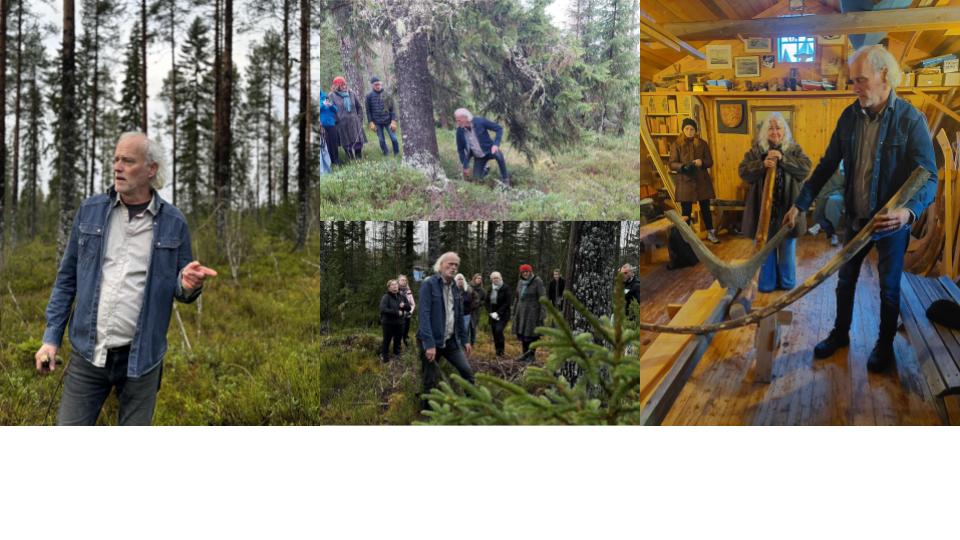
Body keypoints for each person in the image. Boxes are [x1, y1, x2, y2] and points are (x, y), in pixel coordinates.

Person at [34, 132, 217, 425]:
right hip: (87, 355)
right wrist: (51, 339)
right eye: (116, 159)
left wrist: (187, 285)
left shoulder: (174, 223)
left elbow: (181, 286)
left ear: (151, 169)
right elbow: (67, 279)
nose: (118, 167)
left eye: (128, 161)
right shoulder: (90, 212)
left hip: (142, 360)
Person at [782, 45, 938, 372]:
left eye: (861, 80)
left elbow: (929, 177)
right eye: (853, 80)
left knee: (889, 289)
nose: (855, 87)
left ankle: (884, 346)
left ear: (884, 75)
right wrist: (801, 203)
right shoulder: (849, 117)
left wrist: (907, 213)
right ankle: (840, 333)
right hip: (856, 218)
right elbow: (826, 165)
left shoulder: (911, 120)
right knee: (845, 280)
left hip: (892, 224)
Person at [738, 112, 813, 292]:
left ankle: (787, 282)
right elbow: (743, 171)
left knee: (787, 247)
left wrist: (783, 159)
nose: (775, 132)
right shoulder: (757, 150)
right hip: (762, 211)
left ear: (784, 130)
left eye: (778, 128)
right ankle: (767, 283)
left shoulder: (793, 149)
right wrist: (761, 165)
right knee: (765, 249)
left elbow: (805, 169)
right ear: (765, 131)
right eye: (770, 128)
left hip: (788, 209)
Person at [417, 252, 475, 408]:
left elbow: (459, 315)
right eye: (450, 264)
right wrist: (429, 344)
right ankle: (427, 413)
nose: (453, 267)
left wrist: (465, 340)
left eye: (456, 265)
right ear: (441, 265)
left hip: (450, 341)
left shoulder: (455, 287)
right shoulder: (429, 284)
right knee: (429, 379)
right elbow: (423, 315)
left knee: (467, 372)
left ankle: (475, 408)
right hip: (431, 341)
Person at [669, 118, 719, 244]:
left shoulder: (702, 144)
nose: (689, 131)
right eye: (687, 128)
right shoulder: (676, 144)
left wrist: (702, 162)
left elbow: (710, 161)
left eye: (692, 129)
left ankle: (710, 233)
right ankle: (686, 238)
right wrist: (682, 167)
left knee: (705, 209)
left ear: (695, 131)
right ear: (683, 130)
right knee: (686, 211)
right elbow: (672, 163)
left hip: (701, 181)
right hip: (685, 182)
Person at [454, 108, 510, 187]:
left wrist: (496, 144)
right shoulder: (460, 131)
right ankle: (485, 170)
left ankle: (505, 179)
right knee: (476, 180)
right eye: (456, 120)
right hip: (478, 157)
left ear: (465, 117)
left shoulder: (480, 122)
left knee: (498, 155)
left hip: (490, 150)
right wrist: (465, 165)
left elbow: (499, 129)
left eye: (459, 120)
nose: (457, 123)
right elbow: (460, 149)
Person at [512, 264, 545, 362]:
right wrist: (514, 311)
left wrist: (542, 313)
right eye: (523, 272)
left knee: (531, 335)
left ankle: (531, 356)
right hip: (521, 312)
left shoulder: (537, 281)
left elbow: (542, 297)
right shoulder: (520, 282)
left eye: (527, 272)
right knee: (523, 334)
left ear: (530, 272)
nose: (525, 274)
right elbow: (517, 297)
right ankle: (524, 354)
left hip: (533, 313)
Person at [808, 163, 845, 247]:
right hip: (827, 196)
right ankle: (831, 233)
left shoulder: (844, 171)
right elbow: (819, 188)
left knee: (831, 200)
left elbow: (847, 189)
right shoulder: (825, 173)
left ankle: (820, 224)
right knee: (826, 200)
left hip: (841, 196)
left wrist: (833, 193)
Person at [329, 76, 367, 160]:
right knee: (347, 143)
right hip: (342, 124)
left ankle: (359, 159)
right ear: (336, 86)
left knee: (358, 142)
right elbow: (330, 110)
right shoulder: (332, 96)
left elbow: (359, 107)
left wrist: (359, 119)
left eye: (345, 84)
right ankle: (351, 159)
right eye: (342, 85)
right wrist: (337, 120)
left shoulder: (351, 93)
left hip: (354, 122)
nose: (344, 86)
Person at [365, 76, 399, 157]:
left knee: (394, 138)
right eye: (376, 84)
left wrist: (393, 120)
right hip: (377, 122)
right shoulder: (369, 96)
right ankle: (386, 154)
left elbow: (393, 109)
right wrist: (370, 122)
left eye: (379, 84)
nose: (378, 86)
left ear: (381, 84)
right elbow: (368, 111)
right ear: (372, 85)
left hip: (388, 121)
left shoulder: (387, 94)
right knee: (381, 140)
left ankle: (397, 154)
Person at [379, 279, 410, 362]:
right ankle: (384, 356)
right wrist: (396, 312)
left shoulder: (402, 296)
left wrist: (404, 305)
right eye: (392, 285)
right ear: (389, 287)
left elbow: (409, 307)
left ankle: (397, 355)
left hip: (400, 323)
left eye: (396, 284)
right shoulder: (386, 297)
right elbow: (383, 309)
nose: (395, 286)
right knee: (387, 340)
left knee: (398, 341)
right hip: (388, 323)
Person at [486, 271, 512, 357]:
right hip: (492, 314)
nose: (495, 279)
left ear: (500, 278)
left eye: (497, 278)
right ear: (491, 279)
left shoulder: (506, 288)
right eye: (493, 278)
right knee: (494, 332)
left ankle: (501, 351)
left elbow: (507, 302)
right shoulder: (490, 288)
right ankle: (497, 351)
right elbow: (487, 302)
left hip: (503, 314)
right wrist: (490, 312)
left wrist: (498, 313)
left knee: (498, 330)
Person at [455, 273, 480, 347]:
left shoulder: (468, 289)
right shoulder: (452, 290)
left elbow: (476, 299)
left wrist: (471, 307)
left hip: (466, 314)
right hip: (455, 314)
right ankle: (457, 346)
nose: (460, 280)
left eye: (461, 279)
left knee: (465, 330)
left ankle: (464, 346)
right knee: (456, 330)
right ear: (455, 280)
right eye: (458, 279)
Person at [319, 90, 340, 166]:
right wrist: (323, 104)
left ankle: (336, 160)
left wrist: (331, 105)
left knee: (334, 143)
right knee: (326, 144)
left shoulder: (327, 98)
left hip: (331, 124)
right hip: (322, 126)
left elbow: (336, 110)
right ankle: (328, 161)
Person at [397, 274, 416, 347]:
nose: (404, 281)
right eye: (402, 280)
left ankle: (406, 348)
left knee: (405, 333)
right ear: (398, 281)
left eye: (405, 280)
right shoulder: (395, 290)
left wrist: (410, 312)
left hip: (407, 315)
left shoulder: (408, 291)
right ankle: (398, 348)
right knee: (399, 333)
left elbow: (413, 304)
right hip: (398, 315)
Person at [469, 273, 486, 345]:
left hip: (476, 311)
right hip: (467, 310)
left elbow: (484, 300)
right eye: (478, 278)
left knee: (473, 327)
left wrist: (479, 304)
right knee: (466, 326)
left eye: (480, 279)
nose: (479, 280)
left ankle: (473, 343)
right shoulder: (469, 287)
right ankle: (465, 343)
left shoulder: (482, 290)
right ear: (474, 279)